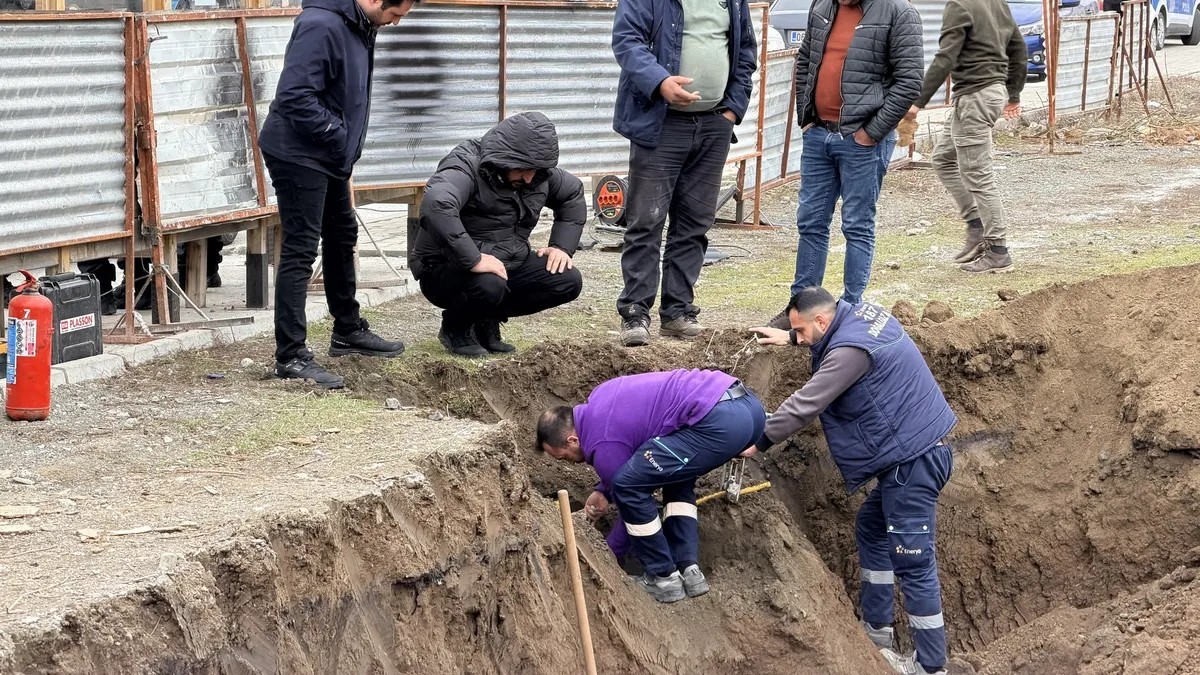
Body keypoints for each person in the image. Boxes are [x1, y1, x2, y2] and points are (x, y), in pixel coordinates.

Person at [748, 287, 957, 675]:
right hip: (919, 452)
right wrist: (792, 336)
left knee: (914, 563)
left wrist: (758, 440)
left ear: (822, 321)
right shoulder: (863, 315)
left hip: (912, 463)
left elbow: (808, 402)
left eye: (802, 330)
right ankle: (876, 635)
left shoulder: (847, 354)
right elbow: (828, 333)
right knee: (872, 528)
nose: (800, 337)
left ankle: (931, 666)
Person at [257, 0, 417, 390]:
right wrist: (338, 135)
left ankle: (347, 330)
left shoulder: (360, 25)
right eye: (396, 14)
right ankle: (291, 356)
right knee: (300, 248)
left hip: (328, 156)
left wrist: (344, 151)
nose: (395, 23)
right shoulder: (322, 24)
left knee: (343, 235)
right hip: (298, 153)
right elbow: (295, 96)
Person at [536, 369, 766, 602]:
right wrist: (603, 490)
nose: (569, 463)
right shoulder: (601, 397)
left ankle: (663, 577)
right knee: (674, 473)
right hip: (747, 408)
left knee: (629, 487)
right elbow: (630, 442)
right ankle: (689, 569)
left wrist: (606, 556)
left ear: (573, 440)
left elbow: (630, 499)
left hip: (718, 422)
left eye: (564, 457)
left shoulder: (603, 444)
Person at [767, 0, 923, 329]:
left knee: (856, 225)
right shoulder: (822, 7)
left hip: (862, 141)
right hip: (818, 135)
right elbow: (807, 62)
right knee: (810, 222)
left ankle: (851, 311)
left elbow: (908, 81)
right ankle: (800, 308)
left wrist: (870, 133)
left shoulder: (898, 12)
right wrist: (806, 119)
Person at [610, 0, 758, 346]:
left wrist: (733, 109)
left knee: (695, 222)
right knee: (646, 220)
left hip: (714, 124)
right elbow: (627, 41)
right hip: (660, 123)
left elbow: (746, 51)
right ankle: (635, 313)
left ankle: (677, 311)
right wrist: (660, 82)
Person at [411, 112, 586, 357]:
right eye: (523, 168)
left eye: (535, 169)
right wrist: (474, 259)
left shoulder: (538, 175)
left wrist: (561, 246)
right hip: (444, 267)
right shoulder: (466, 165)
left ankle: (486, 319)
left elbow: (572, 194)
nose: (529, 178)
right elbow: (436, 205)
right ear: (506, 157)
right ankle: (455, 329)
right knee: (489, 284)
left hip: (506, 262)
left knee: (567, 280)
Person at [908, 0, 1027, 274]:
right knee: (943, 158)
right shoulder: (996, 3)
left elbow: (945, 57)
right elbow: (1018, 48)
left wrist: (918, 101)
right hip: (986, 93)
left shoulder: (959, 5)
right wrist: (1013, 93)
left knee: (978, 175)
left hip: (976, 96)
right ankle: (976, 223)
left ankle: (998, 250)